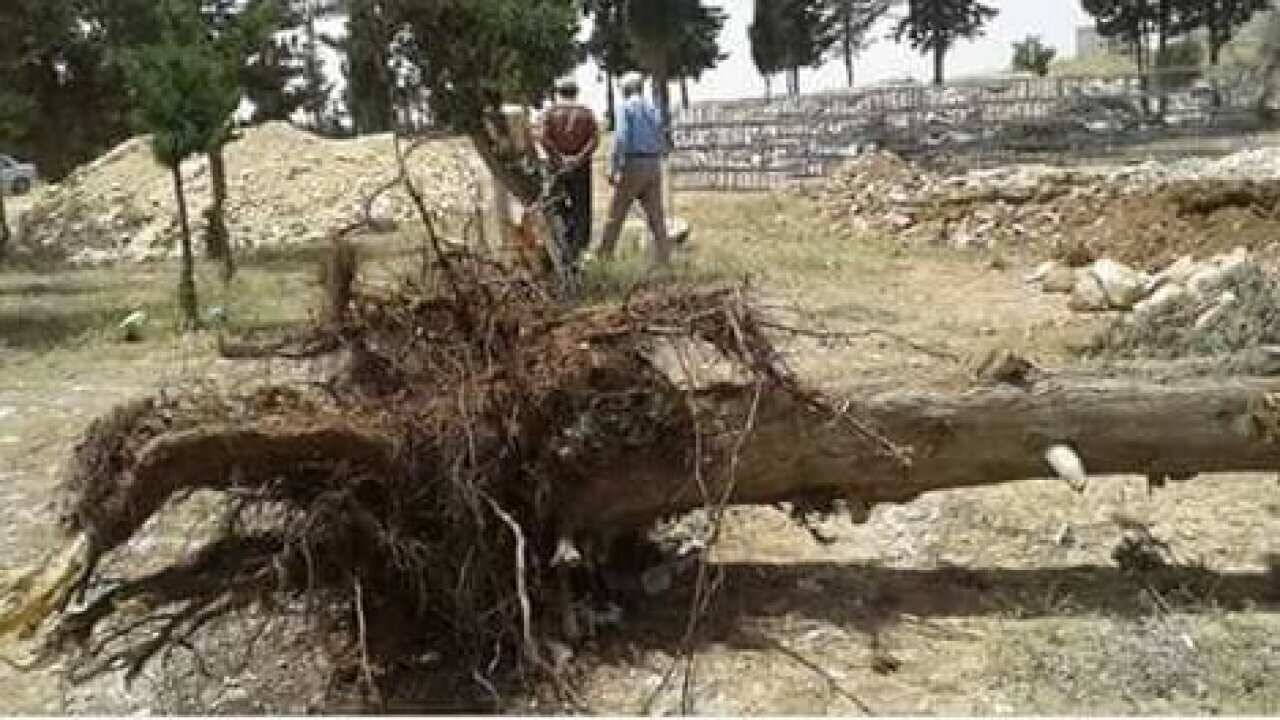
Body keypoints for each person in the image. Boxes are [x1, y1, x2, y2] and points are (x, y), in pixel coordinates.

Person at [599, 73, 672, 270]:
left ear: (625, 89)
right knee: (656, 215)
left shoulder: (625, 107)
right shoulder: (652, 107)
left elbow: (621, 137)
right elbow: (662, 134)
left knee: (616, 213)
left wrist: (613, 166)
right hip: (653, 163)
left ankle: (604, 257)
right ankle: (664, 258)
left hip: (634, 163)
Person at [538, 78, 599, 265]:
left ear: (558, 92)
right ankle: (578, 252)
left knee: (556, 206)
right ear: (576, 92)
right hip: (581, 168)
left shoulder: (550, 112)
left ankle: (562, 247)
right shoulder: (586, 113)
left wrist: (560, 158)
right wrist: (578, 158)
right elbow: (594, 139)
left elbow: (543, 138)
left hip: (556, 167)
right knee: (582, 208)